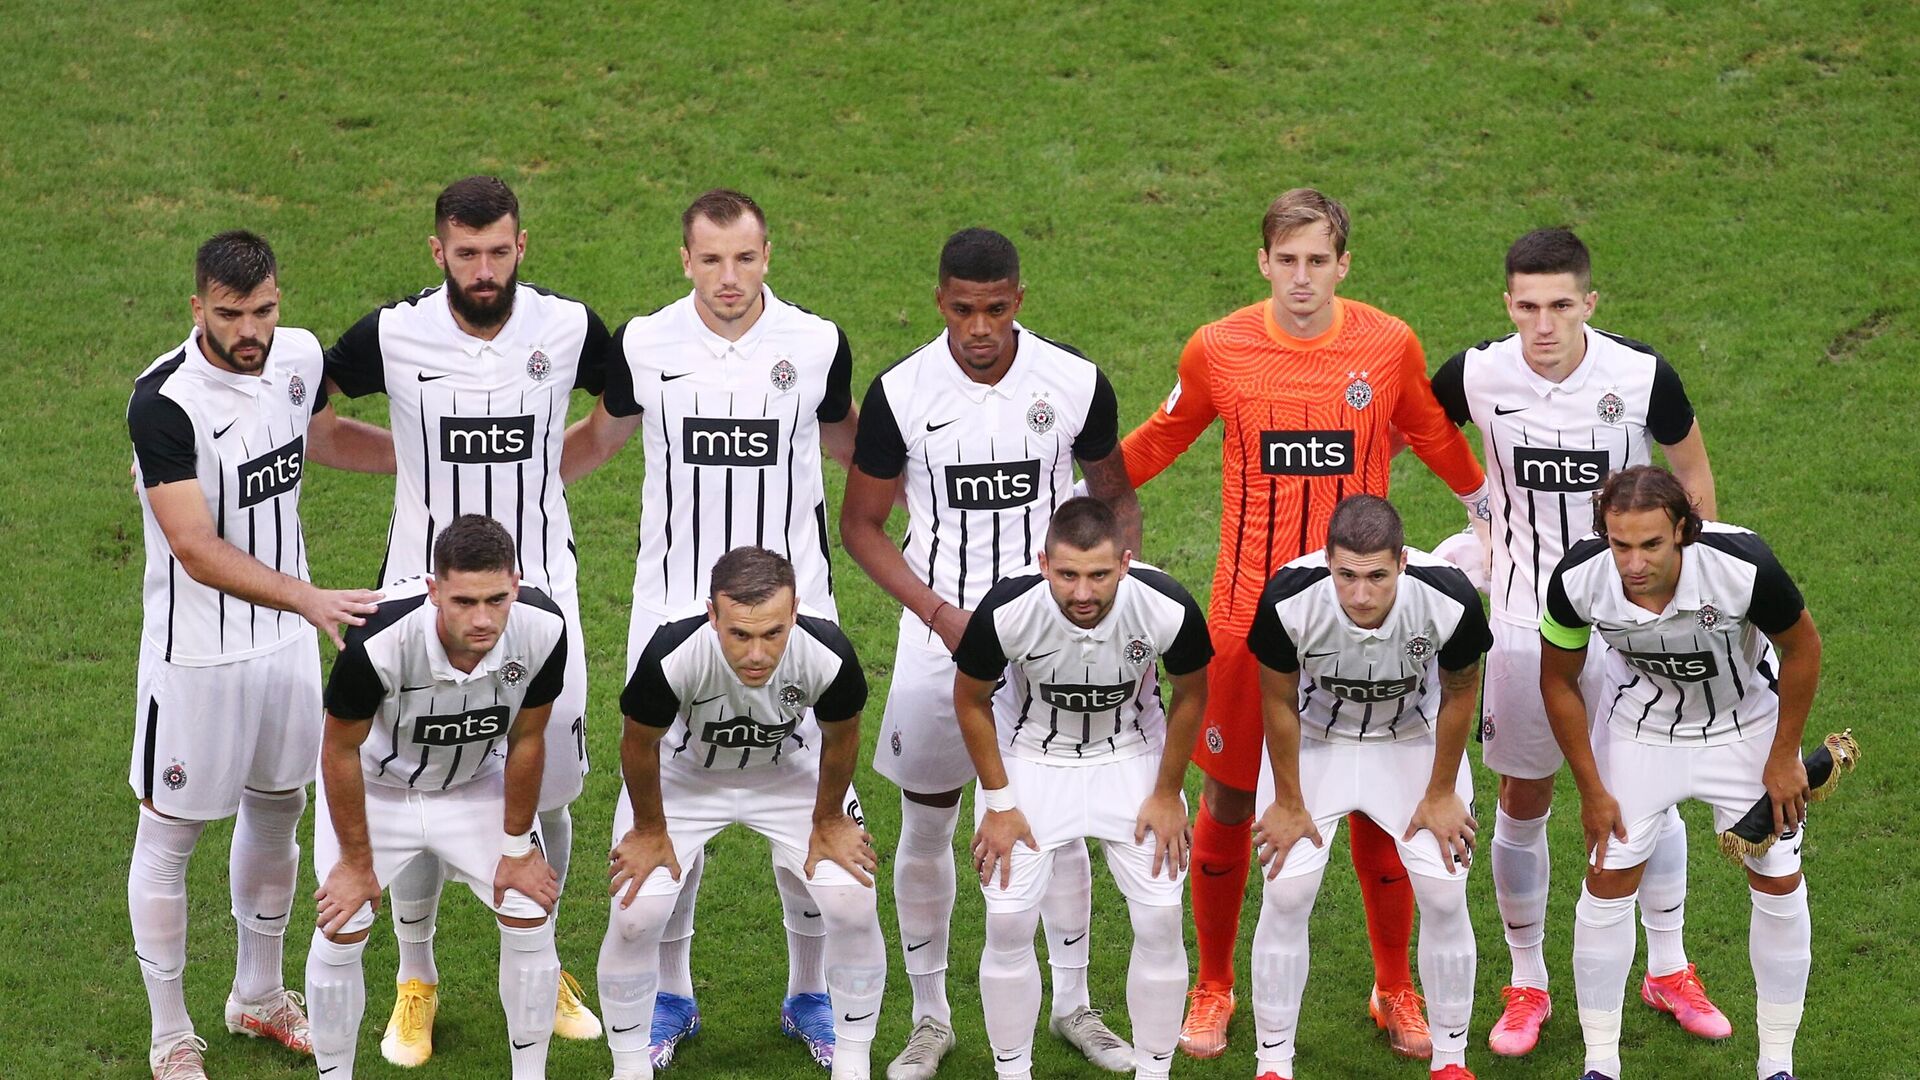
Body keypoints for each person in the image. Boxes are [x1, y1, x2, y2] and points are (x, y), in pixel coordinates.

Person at [1117, 189, 1488, 1059]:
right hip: (1247, 620)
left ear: (1343, 265)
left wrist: (1486, 508)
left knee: (1377, 806)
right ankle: (1214, 986)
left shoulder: (1387, 344)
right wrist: (1077, 496)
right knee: (1230, 798)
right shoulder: (1219, 348)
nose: (1301, 278)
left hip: (1367, 616)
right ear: (1263, 262)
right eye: (1286, 260)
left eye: (1318, 260)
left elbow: (1431, 431)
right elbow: (1161, 438)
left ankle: (1394, 988)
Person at [561, 188, 859, 1068]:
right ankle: (670, 997)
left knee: (808, 805)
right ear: (685, 260)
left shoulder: (817, 343)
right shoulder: (645, 343)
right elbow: (598, 439)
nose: (730, 277)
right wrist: (518, 494)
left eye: (746, 258)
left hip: (795, 617)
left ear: (769, 256)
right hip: (671, 615)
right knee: (667, 812)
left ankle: (810, 994)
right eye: (712, 259)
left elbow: (852, 445)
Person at [840, 228, 1142, 1078]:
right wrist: (940, 615)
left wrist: (1102, 598)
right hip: (940, 639)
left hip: (1054, 639)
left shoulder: (1072, 381)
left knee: (1061, 825)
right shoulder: (902, 392)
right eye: (964, 309)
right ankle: (929, 1019)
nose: (980, 327)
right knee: (928, 821)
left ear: (1019, 300)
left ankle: (1075, 1006)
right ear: (941, 301)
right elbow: (861, 526)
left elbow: (1116, 500)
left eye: (996, 309)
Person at [323, 175, 609, 1062]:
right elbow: (310, 418)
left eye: (498, 251)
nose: (483, 270)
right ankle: (416, 978)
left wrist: (554, 469)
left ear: (522, 246)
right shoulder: (392, 334)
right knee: (416, 774)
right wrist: (405, 460)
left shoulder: (570, 327)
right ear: (438, 251)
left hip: (542, 592)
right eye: (466, 252)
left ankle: (544, 960)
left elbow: (622, 414)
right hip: (418, 597)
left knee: (549, 782)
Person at [1429, 228, 1724, 1055]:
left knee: (1649, 791)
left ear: (1589, 303)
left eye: (1561, 305)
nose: (1544, 324)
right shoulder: (1477, 374)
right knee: (1524, 798)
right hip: (1524, 626)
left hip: (1629, 628)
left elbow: (1692, 474)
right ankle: (1527, 982)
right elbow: (1411, 428)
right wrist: (1478, 510)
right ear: (1508, 305)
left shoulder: (1641, 375)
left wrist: (1686, 581)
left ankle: (1668, 968)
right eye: (1528, 307)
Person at [126, 229, 393, 1079]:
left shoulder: (299, 356)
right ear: (197, 307)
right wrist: (308, 598)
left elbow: (324, 436)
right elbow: (194, 547)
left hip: (284, 648)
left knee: (280, 809)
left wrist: (420, 462)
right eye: (232, 314)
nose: (251, 331)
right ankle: (171, 1036)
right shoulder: (164, 403)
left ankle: (259, 995)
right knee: (171, 838)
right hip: (196, 658)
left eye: (264, 310)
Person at [1541, 466, 1820, 1080]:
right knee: (1607, 879)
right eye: (1620, 544)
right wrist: (1591, 789)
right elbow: (1557, 681)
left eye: (1650, 544)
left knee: (1778, 879)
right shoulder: (1577, 577)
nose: (1633, 563)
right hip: (1639, 730)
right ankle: (1600, 1063)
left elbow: (1803, 648)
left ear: (1683, 531)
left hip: (1745, 727)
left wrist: (1783, 756)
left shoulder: (1742, 564)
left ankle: (1777, 1063)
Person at [596, 546, 885, 1080]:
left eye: (773, 634)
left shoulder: (827, 651)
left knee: (852, 901)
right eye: (739, 634)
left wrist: (827, 820)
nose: (757, 654)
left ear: (794, 611)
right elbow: (639, 743)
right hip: (686, 776)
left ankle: (850, 1060)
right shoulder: (672, 651)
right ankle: (632, 1065)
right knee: (636, 914)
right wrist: (651, 829)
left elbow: (842, 734)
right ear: (713, 615)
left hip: (790, 772)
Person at [953, 497, 1211, 1080]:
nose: (1083, 592)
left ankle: (1155, 1073)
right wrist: (999, 804)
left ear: (1125, 563)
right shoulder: (1006, 608)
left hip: (1130, 756)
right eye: (1067, 575)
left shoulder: (1166, 605)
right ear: (1044, 563)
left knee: (1161, 919)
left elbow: (1192, 691)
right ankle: (1013, 1073)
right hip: (1031, 757)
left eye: (1098, 575)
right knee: (1007, 923)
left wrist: (1167, 793)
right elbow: (969, 700)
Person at [304, 515, 569, 1080]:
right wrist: (355, 863)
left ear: (515, 585)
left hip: (475, 784)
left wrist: (518, 849)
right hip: (377, 790)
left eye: (496, 599)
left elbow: (527, 739)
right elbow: (338, 750)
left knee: (529, 910)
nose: (482, 619)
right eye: (463, 602)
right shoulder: (377, 640)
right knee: (341, 925)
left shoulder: (544, 628)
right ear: (433, 591)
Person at [1245, 495, 1491, 1080]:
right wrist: (1288, 801)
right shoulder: (1288, 597)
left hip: (1411, 740)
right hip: (1316, 742)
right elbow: (1277, 699)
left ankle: (1451, 1062)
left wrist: (1441, 793)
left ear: (1402, 562)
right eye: (1346, 576)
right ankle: (1273, 1063)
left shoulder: (1449, 596)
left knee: (1444, 894)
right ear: (1327, 560)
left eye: (1377, 576)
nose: (1360, 595)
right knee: (1286, 893)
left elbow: (1461, 690)